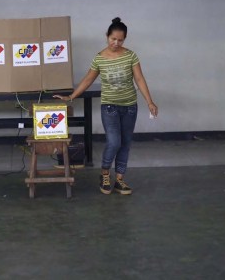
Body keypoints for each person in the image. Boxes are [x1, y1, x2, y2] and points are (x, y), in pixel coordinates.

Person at [54, 17, 158, 196]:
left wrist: (149, 101)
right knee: (114, 142)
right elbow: (88, 79)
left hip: (130, 107)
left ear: (124, 39)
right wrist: (71, 96)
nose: (116, 43)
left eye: (120, 40)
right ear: (107, 36)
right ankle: (104, 173)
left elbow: (139, 79)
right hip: (109, 107)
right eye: (113, 39)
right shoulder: (99, 58)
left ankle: (119, 179)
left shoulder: (130, 55)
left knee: (125, 143)